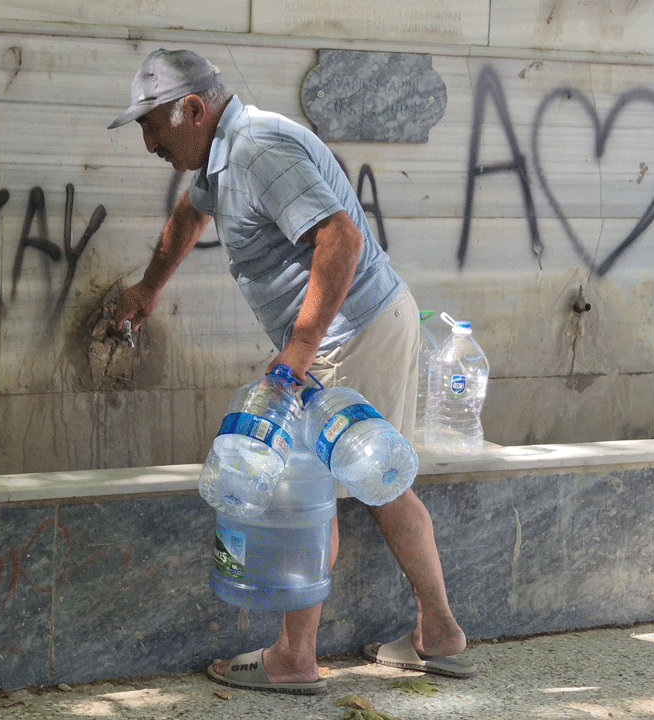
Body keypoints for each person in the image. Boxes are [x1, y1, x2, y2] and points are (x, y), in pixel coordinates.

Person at [107, 48, 474, 694]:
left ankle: (296, 660)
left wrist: (300, 350)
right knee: (377, 487)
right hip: (352, 329)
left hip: (351, 332)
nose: (149, 144)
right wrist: (149, 287)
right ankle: (437, 635)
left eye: (152, 126)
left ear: (193, 109)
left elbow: (341, 238)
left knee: (315, 493)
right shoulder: (223, 158)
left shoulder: (255, 149)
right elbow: (191, 214)